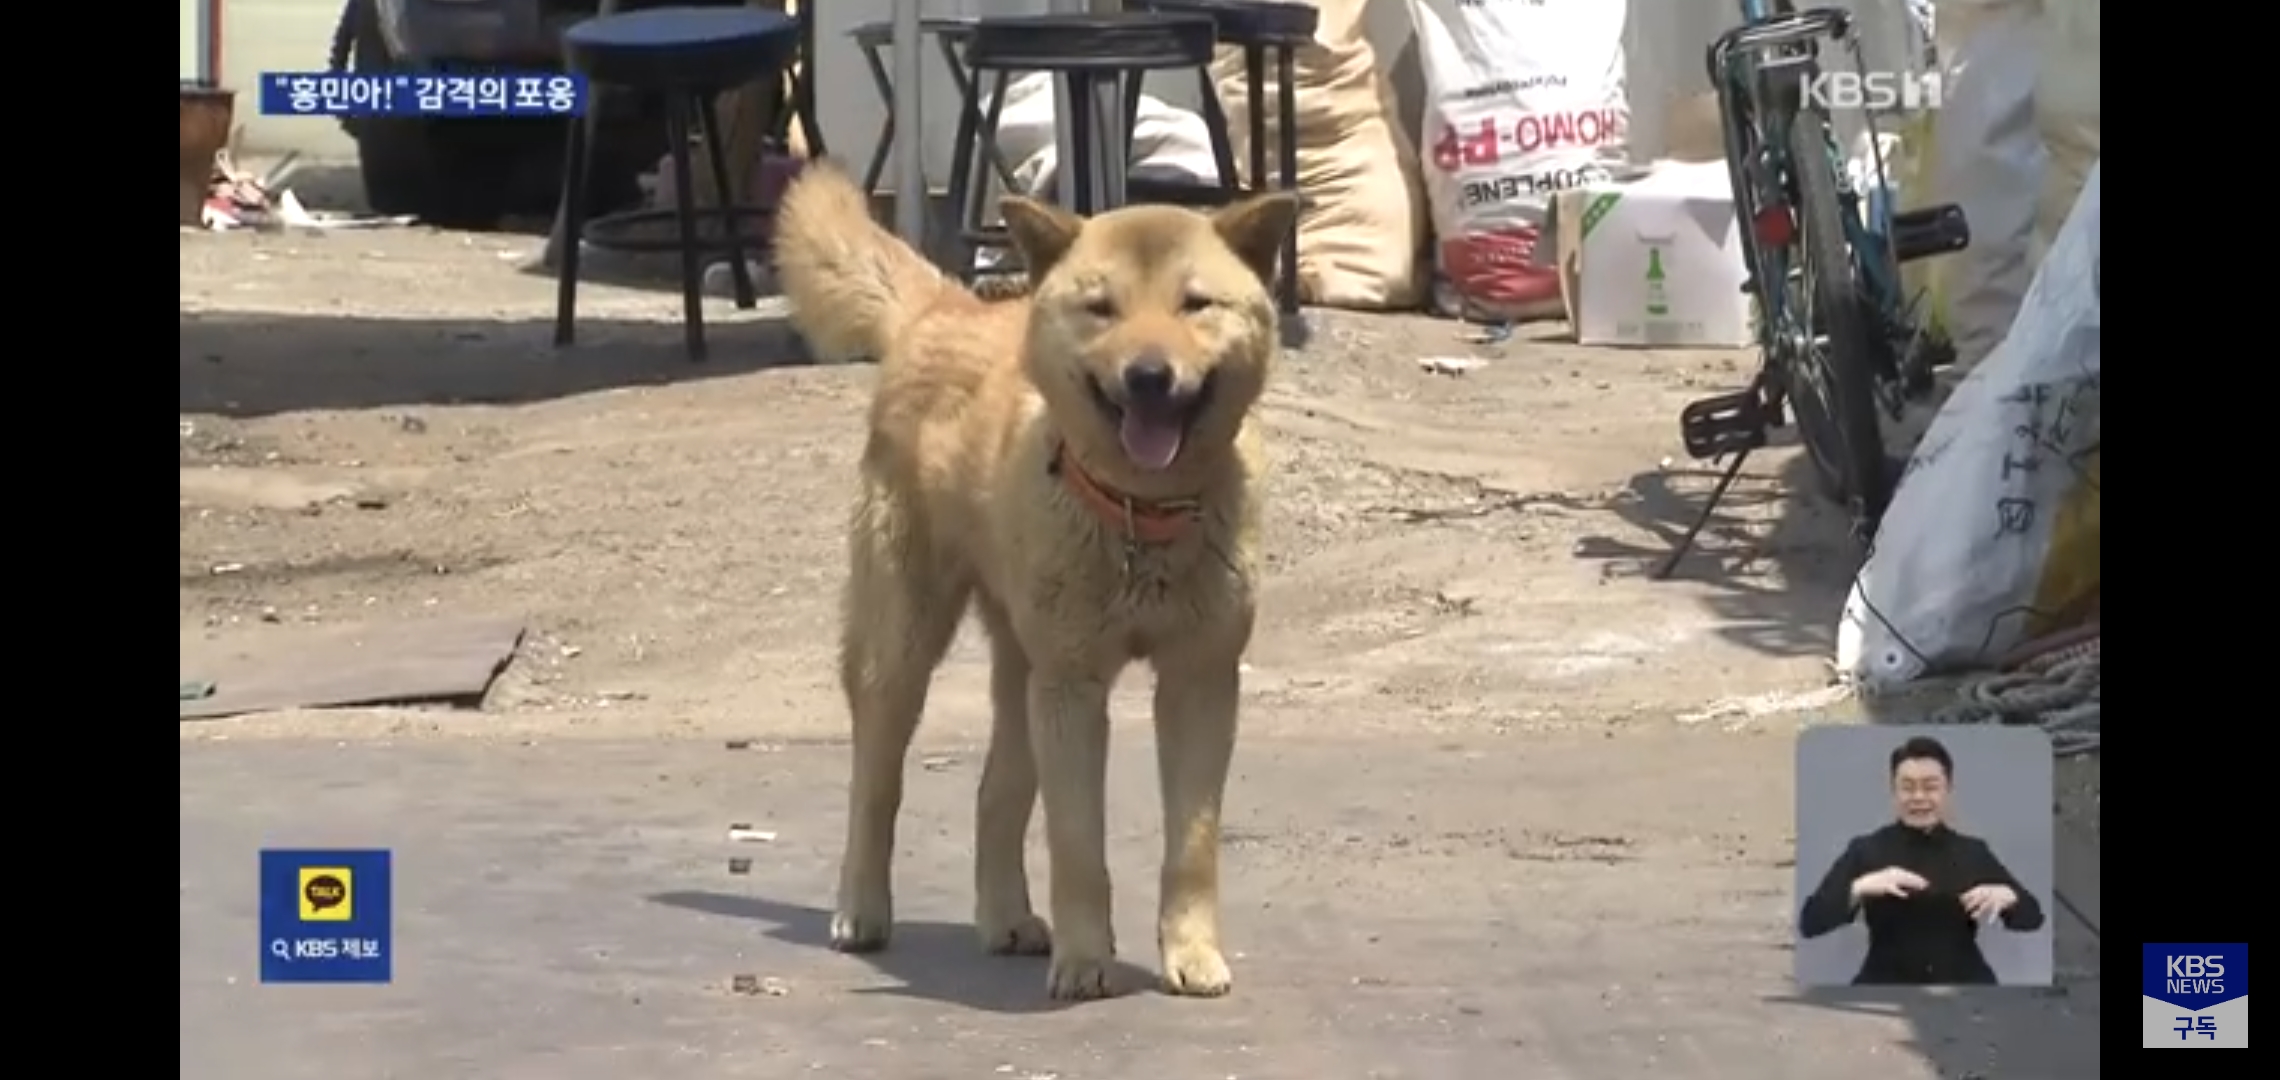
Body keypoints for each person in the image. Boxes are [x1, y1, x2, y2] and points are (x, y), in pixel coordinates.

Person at [1798, 735, 2045, 985]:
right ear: (1894, 791)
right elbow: (1810, 922)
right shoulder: (1866, 849)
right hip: (1885, 984)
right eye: (1907, 787)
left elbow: (2033, 918)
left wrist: (2007, 896)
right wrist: (1860, 887)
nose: (1918, 797)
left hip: (1965, 985)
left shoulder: (1973, 851)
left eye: (1930, 787)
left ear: (1947, 789)